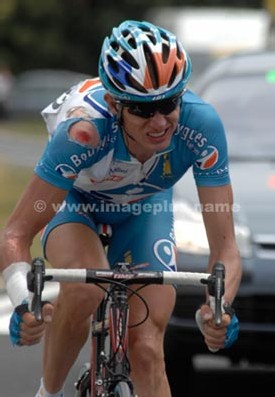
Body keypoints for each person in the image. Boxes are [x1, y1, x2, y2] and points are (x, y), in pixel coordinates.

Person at [0, 20, 242, 397]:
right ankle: (48, 392)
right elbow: (15, 234)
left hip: (145, 208)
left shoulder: (202, 126)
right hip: (78, 205)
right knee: (84, 291)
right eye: (143, 110)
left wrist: (218, 308)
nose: (160, 122)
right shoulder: (84, 131)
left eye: (168, 103)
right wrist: (20, 302)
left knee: (146, 349)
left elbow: (225, 249)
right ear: (114, 103)